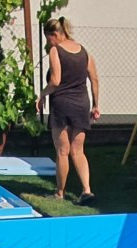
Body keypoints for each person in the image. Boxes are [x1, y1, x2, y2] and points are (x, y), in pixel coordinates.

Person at [38, 17, 101, 205]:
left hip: (62, 105)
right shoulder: (84, 51)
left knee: (63, 151)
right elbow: (94, 79)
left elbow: (55, 81)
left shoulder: (55, 51)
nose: (49, 43)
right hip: (82, 104)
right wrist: (96, 105)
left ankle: (60, 193)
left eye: (48, 38)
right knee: (78, 151)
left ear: (54, 35)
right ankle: (87, 190)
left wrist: (42, 95)